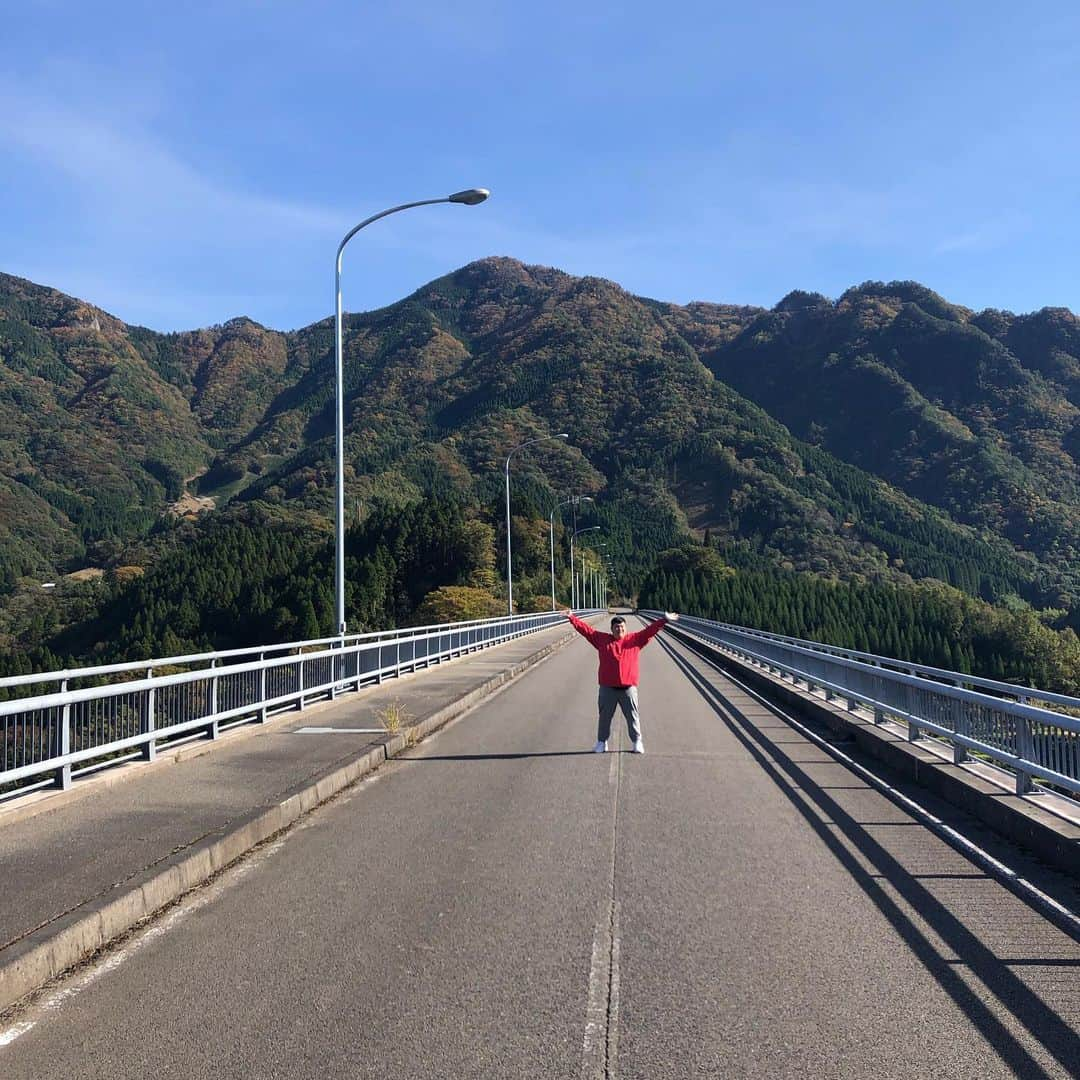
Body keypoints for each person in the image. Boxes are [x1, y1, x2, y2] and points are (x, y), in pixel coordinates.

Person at [562, 610, 679, 754]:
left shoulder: (635, 639)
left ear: (626, 627)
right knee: (604, 717)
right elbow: (586, 631)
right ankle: (601, 742)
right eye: (616, 627)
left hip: (628, 688)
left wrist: (664, 620)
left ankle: (637, 742)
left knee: (632, 717)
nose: (620, 629)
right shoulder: (602, 639)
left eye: (622, 627)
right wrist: (572, 618)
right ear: (611, 629)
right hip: (607, 688)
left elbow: (650, 631)